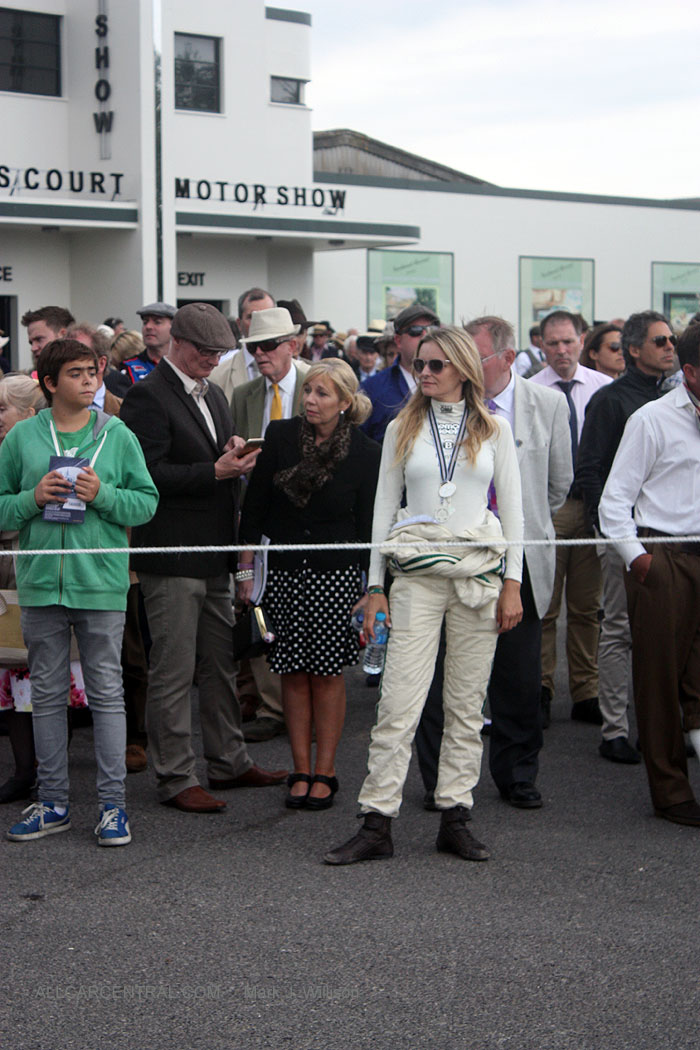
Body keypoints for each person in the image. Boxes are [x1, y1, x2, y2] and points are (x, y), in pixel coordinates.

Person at [325, 326, 523, 865]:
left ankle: (456, 815)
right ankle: (376, 821)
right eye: (420, 365)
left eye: (437, 365)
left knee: (465, 706)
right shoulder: (400, 426)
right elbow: (382, 515)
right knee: (397, 704)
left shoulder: (497, 429)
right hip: (413, 577)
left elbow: (514, 513)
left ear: (463, 368)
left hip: (479, 579)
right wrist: (374, 588)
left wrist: (513, 583)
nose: (425, 373)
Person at [120, 303, 287, 813]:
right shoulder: (146, 397)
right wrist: (213, 471)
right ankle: (174, 776)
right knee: (172, 670)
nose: (212, 361)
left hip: (214, 550)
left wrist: (232, 450)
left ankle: (228, 761)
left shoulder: (213, 392)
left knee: (220, 663)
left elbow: (208, 462)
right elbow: (142, 476)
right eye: (204, 352)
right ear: (177, 343)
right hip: (170, 555)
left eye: (219, 353)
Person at [0, 339, 159, 845]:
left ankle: (114, 808)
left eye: (93, 372)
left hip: (101, 582)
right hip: (41, 582)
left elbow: (146, 504)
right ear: (49, 383)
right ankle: (53, 803)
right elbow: (1, 506)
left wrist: (104, 495)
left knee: (107, 694)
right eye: (76, 373)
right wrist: (31, 498)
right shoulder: (21, 438)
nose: (90, 381)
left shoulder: (118, 435)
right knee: (44, 694)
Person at [415, 317, 572, 810]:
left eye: (474, 357)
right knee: (440, 676)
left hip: (515, 558)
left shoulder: (546, 405)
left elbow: (557, 486)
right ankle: (439, 780)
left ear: (506, 359)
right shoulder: (437, 409)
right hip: (448, 559)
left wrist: (508, 530)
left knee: (518, 677)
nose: (459, 366)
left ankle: (517, 774)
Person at [238, 359, 380, 809]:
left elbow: (369, 525)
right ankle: (300, 768)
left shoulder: (364, 451)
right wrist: (244, 570)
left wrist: (373, 586)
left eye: (322, 393)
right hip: (282, 570)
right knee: (291, 673)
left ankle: (327, 770)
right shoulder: (280, 437)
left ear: (344, 401)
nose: (311, 401)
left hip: (335, 576)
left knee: (327, 674)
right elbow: (255, 506)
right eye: (309, 391)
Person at [599, 321, 700, 827]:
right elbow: (613, 501)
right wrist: (641, 562)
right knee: (659, 682)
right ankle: (672, 793)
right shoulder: (651, 420)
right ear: (690, 373)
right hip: (663, 557)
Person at [576, 311, 674, 764]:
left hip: (672, 534)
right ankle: (615, 728)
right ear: (635, 350)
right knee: (618, 627)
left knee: (673, 632)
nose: (670, 346)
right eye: (660, 340)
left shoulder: (679, 399)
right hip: (623, 533)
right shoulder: (611, 401)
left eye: (672, 339)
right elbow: (590, 468)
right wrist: (610, 532)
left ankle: (672, 724)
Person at [231, 307, 310, 743]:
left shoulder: (318, 383)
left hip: (306, 516)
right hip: (258, 513)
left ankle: (307, 703)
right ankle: (270, 705)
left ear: (292, 347)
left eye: (268, 346)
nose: (260, 354)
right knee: (257, 601)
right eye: (253, 347)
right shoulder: (243, 394)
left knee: (303, 607)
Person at [529, 310, 612, 726]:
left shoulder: (603, 389)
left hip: (592, 506)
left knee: (586, 607)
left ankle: (586, 691)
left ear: (582, 340)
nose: (561, 350)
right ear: (541, 344)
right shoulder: (528, 392)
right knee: (544, 605)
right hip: (550, 505)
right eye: (553, 343)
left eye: (568, 341)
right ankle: (541, 688)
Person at [0, 376, 49, 804]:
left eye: (2, 409)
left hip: (28, 570)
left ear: (28, 415)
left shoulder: (38, 453)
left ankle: (47, 773)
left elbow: (18, 516)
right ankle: (22, 771)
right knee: (14, 676)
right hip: (7, 575)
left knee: (38, 675)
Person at [361, 305, 440, 443]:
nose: (425, 335)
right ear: (398, 340)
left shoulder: (451, 383)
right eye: (415, 331)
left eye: (431, 330)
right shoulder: (372, 388)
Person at [209, 287, 276, 402]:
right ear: (239, 324)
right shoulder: (217, 377)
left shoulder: (302, 373)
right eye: (252, 317)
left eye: (266, 315)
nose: (259, 323)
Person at [114, 302, 176, 394]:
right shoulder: (129, 367)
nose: (148, 327)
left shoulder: (186, 367)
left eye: (157, 322)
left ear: (174, 328)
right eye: (145, 322)